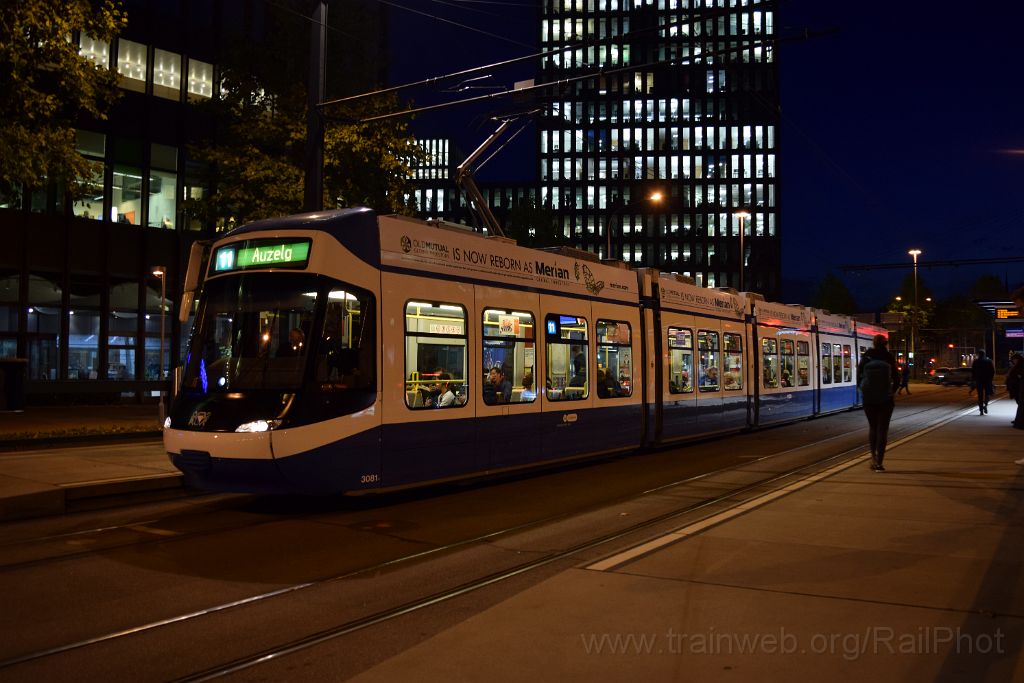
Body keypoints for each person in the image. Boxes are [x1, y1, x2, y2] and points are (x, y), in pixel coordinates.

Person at [857, 334, 900, 472]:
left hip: (869, 399)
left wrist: (863, 391)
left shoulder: (867, 356)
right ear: (886, 344)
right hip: (885, 399)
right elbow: (897, 378)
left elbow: (858, 376)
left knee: (873, 428)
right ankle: (879, 463)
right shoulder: (888, 357)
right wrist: (891, 391)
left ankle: (873, 458)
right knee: (883, 430)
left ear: (874, 343)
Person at [971, 349, 995, 415]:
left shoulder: (975, 362)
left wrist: (974, 380)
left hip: (979, 381)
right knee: (987, 394)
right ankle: (985, 405)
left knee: (980, 396)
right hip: (987, 381)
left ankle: (981, 410)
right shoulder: (989, 361)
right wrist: (991, 379)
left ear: (979, 354)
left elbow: (973, 372)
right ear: (984, 354)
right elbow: (992, 371)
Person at [1006, 353, 1023, 430]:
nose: (1013, 361)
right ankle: (1018, 420)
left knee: (1020, 404)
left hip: (1018, 388)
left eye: (1014, 360)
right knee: (1019, 404)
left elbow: (1019, 376)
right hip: (1017, 388)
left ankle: (1019, 421)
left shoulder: (1020, 366)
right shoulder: (1017, 365)